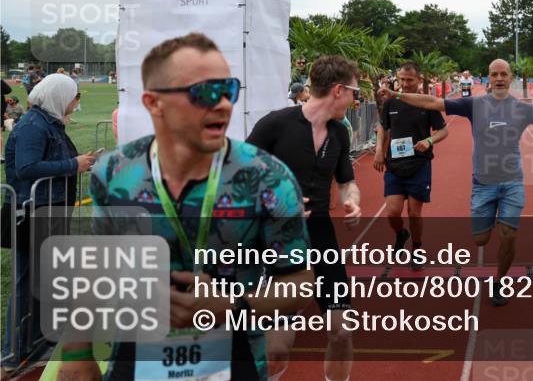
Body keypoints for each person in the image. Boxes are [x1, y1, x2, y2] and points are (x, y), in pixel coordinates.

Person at [59, 33, 314, 381]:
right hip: (136, 357)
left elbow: (300, 280)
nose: (223, 103)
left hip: (233, 357)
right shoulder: (113, 173)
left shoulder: (268, 177)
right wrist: (76, 351)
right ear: (153, 103)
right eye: (205, 92)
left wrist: (232, 307)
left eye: (228, 90)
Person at [379, 58, 533, 305]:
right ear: (488, 78)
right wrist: (396, 94)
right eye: (494, 74)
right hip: (483, 183)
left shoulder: (522, 109)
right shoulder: (474, 104)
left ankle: (499, 281)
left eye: (503, 74)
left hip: (512, 182)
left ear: (511, 78)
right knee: (480, 239)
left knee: (509, 234)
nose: (499, 78)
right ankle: (489, 218)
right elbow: (432, 102)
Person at [247, 55, 362, 381]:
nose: (357, 99)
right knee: (277, 350)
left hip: (322, 238)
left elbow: (347, 182)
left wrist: (352, 202)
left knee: (341, 331)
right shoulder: (275, 125)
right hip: (276, 242)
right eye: (355, 91)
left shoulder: (340, 133)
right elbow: (238, 180)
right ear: (338, 90)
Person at [3, 74, 96, 372]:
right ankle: (13, 351)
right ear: (59, 96)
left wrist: (80, 161)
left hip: (50, 209)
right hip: (33, 210)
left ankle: (37, 340)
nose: (76, 102)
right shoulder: (33, 125)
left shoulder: (49, 123)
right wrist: (73, 164)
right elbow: (27, 167)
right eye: (74, 96)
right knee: (27, 279)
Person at [374, 62, 449, 270]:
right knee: (392, 211)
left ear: (419, 80)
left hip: (419, 164)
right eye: (402, 79)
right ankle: (401, 234)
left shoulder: (426, 104)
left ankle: (416, 249)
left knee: (414, 213)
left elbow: (444, 131)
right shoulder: (391, 103)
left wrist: (430, 141)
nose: (405, 84)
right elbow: (383, 126)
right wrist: (379, 150)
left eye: (410, 80)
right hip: (395, 165)